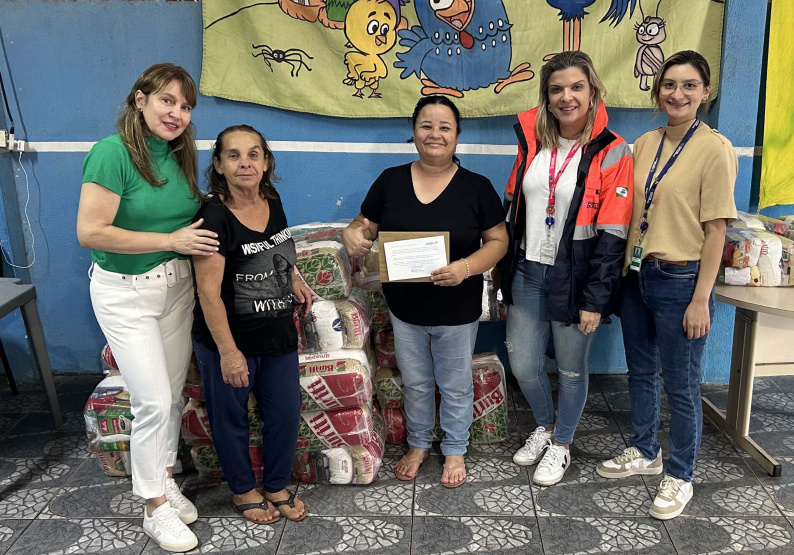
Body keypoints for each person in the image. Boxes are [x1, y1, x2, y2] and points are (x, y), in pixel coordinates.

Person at [76, 63, 215, 552]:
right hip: (124, 293)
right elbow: (90, 231)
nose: (177, 113)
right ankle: (154, 507)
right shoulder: (110, 154)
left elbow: (188, 210)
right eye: (167, 101)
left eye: (185, 106)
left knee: (172, 395)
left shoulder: (180, 154)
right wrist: (169, 239)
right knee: (152, 400)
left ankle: (164, 479)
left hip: (175, 288)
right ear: (140, 99)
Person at [596, 50, 737, 520]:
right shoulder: (643, 143)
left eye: (689, 85)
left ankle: (680, 473)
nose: (678, 93)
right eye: (669, 84)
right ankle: (645, 450)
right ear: (657, 91)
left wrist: (702, 298)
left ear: (705, 93)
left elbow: (717, 229)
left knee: (681, 383)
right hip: (636, 277)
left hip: (681, 280)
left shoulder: (714, 148)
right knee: (640, 372)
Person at [342, 96, 508, 488]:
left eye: (445, 127)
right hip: (405, 308)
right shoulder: (390, 180)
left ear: (457, 136)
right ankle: (418, 444)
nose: (435, 134)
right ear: (414, 132)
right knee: (415, 382)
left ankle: (454, 448)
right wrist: (353, 233)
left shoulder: (477, 188)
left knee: (454, 383)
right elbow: (364, 225)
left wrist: (466, 267)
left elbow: (499, 241)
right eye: (426, 125)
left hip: (457, 307)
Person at [500, 51, 633, 487]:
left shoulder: (613, 151)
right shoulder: (532, 143)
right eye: (556, 89)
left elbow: (613, 235)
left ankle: (563, 444)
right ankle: (545, 425)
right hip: (528, 270)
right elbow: (514, 209)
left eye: (576, 87)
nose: (566, 97)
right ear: (547, 97)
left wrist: (596, 299)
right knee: (522, 363)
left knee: (572, 368)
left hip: (575, 277)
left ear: (592, 91)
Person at [192, 125, 311, 525]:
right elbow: (208, 293)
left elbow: (278, 250)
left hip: (277, 334)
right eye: (234, 155)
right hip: (230, 340)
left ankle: (276, 485)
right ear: (218, 165)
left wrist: (292, 278)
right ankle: (243, 490)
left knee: (285, 413)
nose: (245, 163)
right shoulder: (212, 216)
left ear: (266, 162)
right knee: (231, 419)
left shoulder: (271, 198)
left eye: (254, 154)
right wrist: (228, 353)